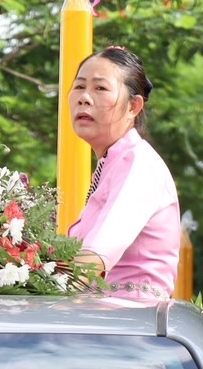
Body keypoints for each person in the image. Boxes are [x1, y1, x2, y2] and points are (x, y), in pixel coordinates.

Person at [65, 47, 182, 294]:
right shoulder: (114, 162)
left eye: (100, 88)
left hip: (131, 324)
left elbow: (94, 258)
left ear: (133, 107)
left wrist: (42, 299)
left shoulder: (139, 163)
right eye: (79, 86)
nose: (84, 98)